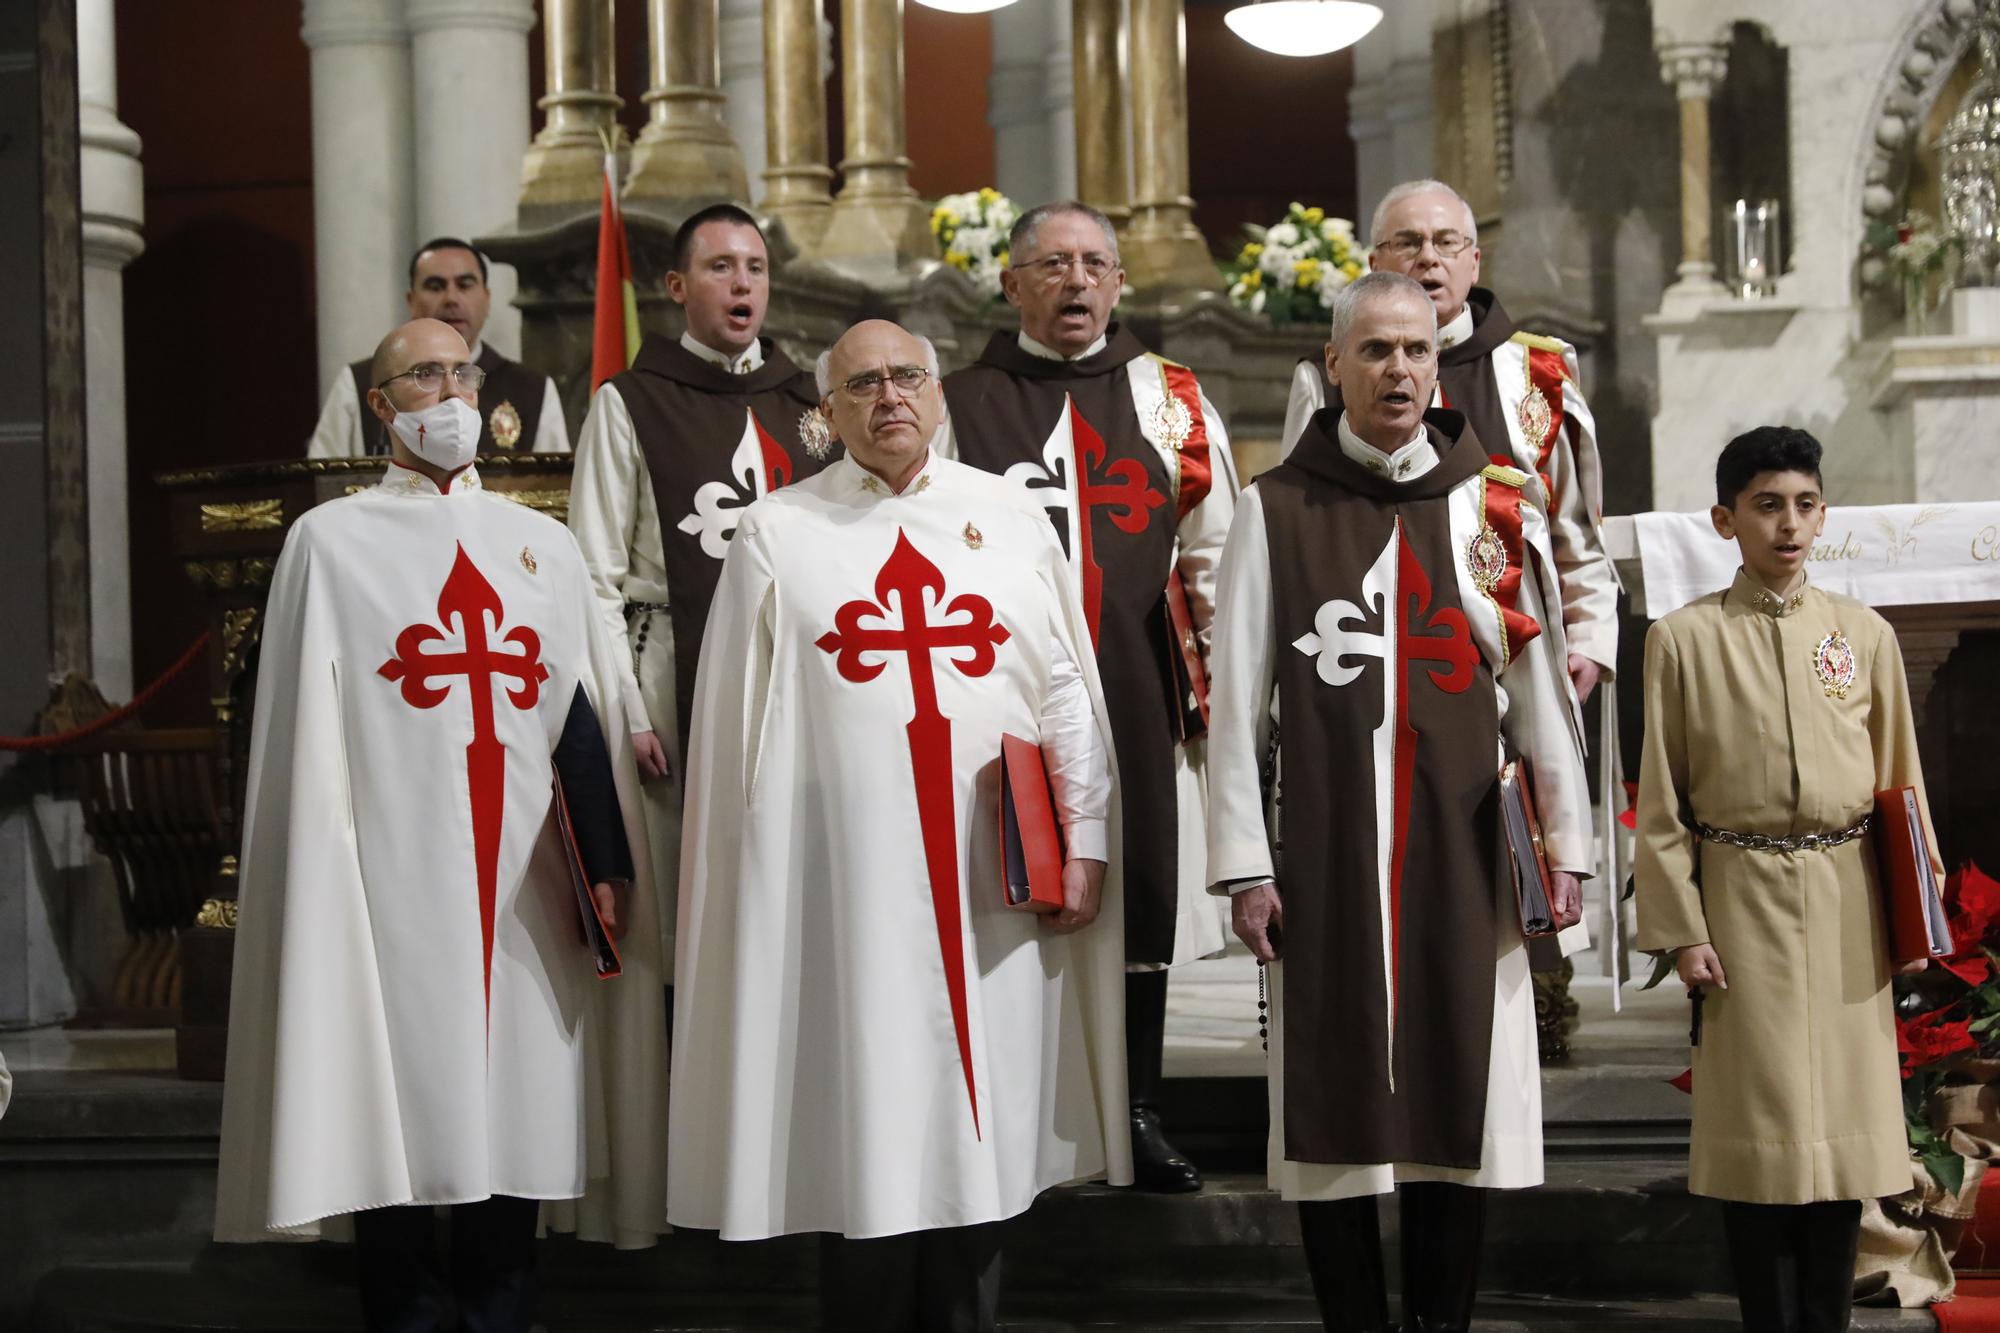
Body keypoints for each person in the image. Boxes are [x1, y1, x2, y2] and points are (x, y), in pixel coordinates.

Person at [669, 319, 1132, 1333]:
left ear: (938, 393)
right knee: (863, 1114)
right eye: (863, 383)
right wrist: (754, 886)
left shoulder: (1005, 513)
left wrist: (1084, 836)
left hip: (992, 882)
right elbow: (737, 731)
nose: (889, 397)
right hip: (843, 887)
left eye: (908, 377)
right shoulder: (779, 531)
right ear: (825, 413)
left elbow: (1061, 684)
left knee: (981, 1125)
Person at [217, 318, 668, 1331]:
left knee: (517, 1104)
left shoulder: (540, 544)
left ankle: (503, 1307)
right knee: (397, 1098)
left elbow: (574, 710)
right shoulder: (328, 543)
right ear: (381, 406)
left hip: (523, 881)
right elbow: (291, 729)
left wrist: (602, 857)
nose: (451, 392)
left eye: (462, 369)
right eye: (423, 374)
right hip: (387, 877)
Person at [1206, 272, 1590, 1333]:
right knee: (1333, 1134)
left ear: (1438, 359)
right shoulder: (1273, 509)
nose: (1398, 370)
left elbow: (1538, 694)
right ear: (1330, 366)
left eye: (1415, 350)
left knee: (1450, 1116)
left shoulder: (1497, 504)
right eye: (1373, 350)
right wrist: (1244, 865)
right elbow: (1236, 709)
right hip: (1324, 867)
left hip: (1463, 860)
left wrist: (1564, 848)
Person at [940, 200, 1238, 1193]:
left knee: (1137, 894)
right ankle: (1007, 1111)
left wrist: (1213, 691)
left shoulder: (1171, 397)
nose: (1075, 282)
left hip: (1136, 683)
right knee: (1007, 889)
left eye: (1093, 265)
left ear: (1118, 283)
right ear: (1010, 283)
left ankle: (1138, 1109)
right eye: (1052, 264)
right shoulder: (955, 402)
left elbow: (1215, 555)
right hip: (1001, 693)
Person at [1634, 426, 1938, 1333]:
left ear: (1824, 513)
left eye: (1805, 504)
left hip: (1847, 900)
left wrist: (1914, 921)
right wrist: (1683, 926)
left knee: (1845, 1138)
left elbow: (1901, 787)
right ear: (1726, 519)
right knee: (1759, 1140)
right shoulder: (1683, 641)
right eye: (1767, 505)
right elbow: (1660, 802)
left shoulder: (1863, 635)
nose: (1789, 524)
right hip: (1741, 896)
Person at [568, 203, 832, 974]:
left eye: (755, 268)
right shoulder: (630, 402)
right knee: (689, 913)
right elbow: (593, 570)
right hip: (668, 674)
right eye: (721, 268)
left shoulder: (808, 405)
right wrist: (627, 704)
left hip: (796, 672)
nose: (742, 284)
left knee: (790, 886)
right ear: (678, 286)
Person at [1282, 180, 1616, 702]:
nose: (1428, 259)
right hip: (1370, 655)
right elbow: (1297, 524)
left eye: (1446, 242)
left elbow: (1574, 530)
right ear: (1375, 262)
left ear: (1475, 261)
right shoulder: (1330, 379)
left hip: (1523, 659)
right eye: (1408, 243)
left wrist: (1591, 638)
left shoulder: (1537, 376)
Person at [306, 238, 569, 458]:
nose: (451, 298)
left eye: (464, 285)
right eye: (435, 286)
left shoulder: (532, 390)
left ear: (486, 299)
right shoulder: (362, 382)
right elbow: (323, 484)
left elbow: (553, 490)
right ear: (411, 301)